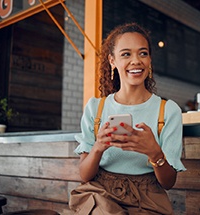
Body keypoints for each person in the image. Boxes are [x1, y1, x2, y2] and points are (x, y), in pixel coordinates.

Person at [69, 22, 186, 215]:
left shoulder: (168, 111)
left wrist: (155, 153)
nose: (136, 61)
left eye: (143, 53)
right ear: (112, 61)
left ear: (149, 60)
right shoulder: (95, 108)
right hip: (101, 194)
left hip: (148, 200)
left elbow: (168, 183)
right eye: (126, 54)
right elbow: (84, 175)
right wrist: (98, 147)